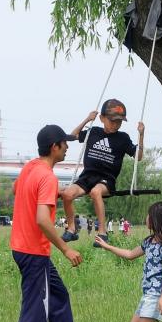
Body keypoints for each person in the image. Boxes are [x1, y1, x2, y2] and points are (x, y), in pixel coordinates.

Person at [10, 124, 89, 322]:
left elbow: (17, 188)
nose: (67, 147)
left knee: (58, 298)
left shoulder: (31, 168)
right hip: (33, 252)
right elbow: (43, 220)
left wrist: (52, 193)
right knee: (36, 308)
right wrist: (66, 249)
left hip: (23, 247)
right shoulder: (46, 176)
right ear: (55, 147)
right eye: (64, 143)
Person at [60, 99, 145, 246]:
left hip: (106, 179)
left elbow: (138, 156)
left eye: (119, 122)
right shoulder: (94, 132)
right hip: (87, 177)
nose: (115, 125)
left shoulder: (123, 138)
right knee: (67, 194)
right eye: (112, 121)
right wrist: (87, 119)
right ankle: (72, 228)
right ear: (102, 118)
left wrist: (141, 135)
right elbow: (72, 136)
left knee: (95, 192)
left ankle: (103, 233)